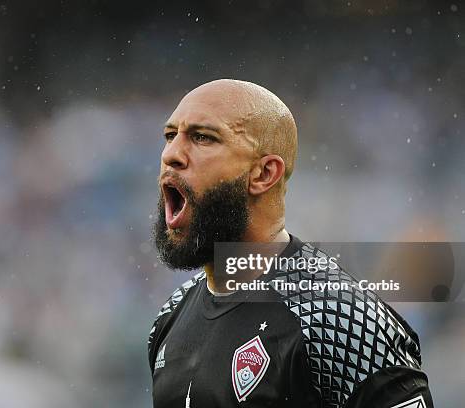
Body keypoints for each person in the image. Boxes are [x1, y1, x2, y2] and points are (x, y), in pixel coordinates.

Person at [148, 79, 433, 407]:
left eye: (203, 138)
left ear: (264, 174)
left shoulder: (339, 319)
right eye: (170, 136)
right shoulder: (172, 314)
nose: (171, 155)